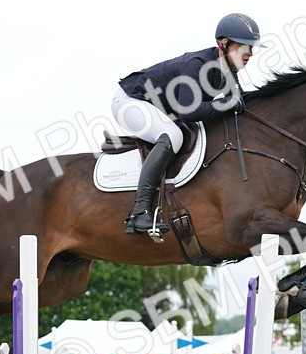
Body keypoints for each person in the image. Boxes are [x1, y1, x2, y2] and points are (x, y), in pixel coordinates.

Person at [112, 13, 262, 236]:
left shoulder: (227, 71)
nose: (250, 53)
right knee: (173, 135)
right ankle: (139, 213)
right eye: (243, 47)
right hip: (130, 101)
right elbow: (189, 112)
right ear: (223, 44)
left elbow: (239, 103)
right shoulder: (197, 64)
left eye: (251, 48)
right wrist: (228, 103)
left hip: (158, 108)